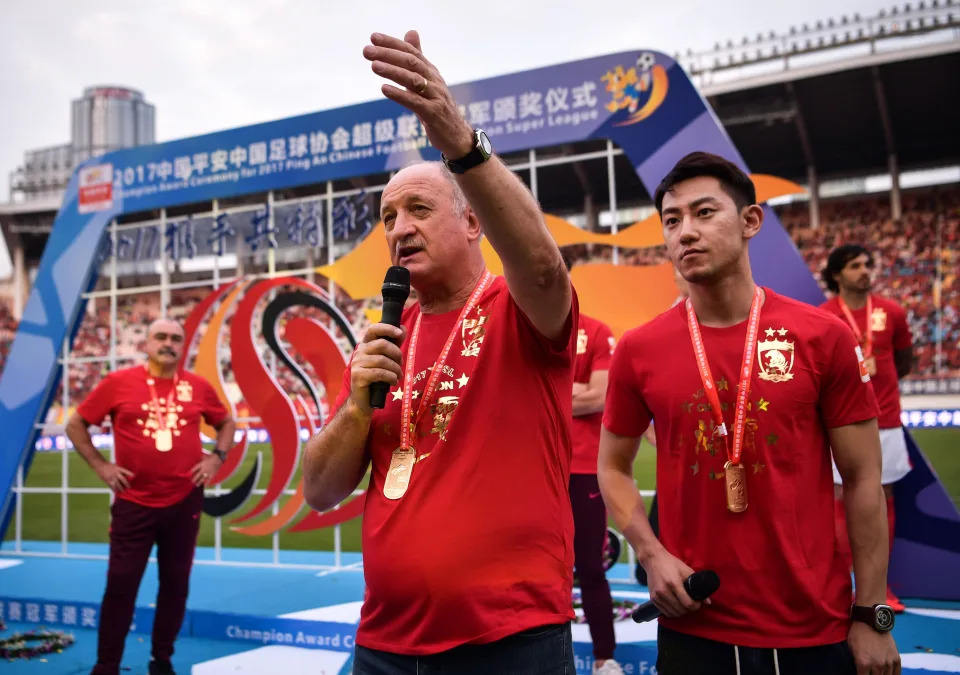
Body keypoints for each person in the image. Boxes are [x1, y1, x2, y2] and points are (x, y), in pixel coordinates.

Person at [303, 30, 578, 674]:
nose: (399, 229)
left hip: (510, 641)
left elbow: (541, 264)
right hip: (385, 644)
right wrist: (351, 412)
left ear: (474, 222)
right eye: (388, 217)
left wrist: (456, 138)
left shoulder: (519, 310)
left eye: (419, 208)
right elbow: (319, 490)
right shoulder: (383, 339)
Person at [597, 152, 901, 675]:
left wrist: (870, 613)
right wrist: (650, 554)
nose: (685, 232)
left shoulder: (821, 337)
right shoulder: (639, 349)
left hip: (813, 625)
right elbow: (612, 466)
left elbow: (863, 477)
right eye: (672, 221)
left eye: (704, 212)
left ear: (750, 222)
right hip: (694, 625)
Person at [66, 318, 235, 675]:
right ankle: (106, 664)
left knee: (175, 586)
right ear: (146, 343)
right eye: (160, 336)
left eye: (176, 338)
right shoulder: (118, 383)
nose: (168, 343)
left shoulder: (197, 386)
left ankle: (162, 659)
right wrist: (101, 466)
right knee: (120, 586)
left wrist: (215, 457)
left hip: (184, 501)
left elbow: (226, 423)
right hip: (133, 502)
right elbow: (75, 424)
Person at [820, 244, 914, 612]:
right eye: (855, 265)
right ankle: (842, 583)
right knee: (841, 498)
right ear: (837, 274)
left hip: (884, 418)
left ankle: (878, 587)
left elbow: (903, 362)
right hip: (838, 421)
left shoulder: (892, 312)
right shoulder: (825, 316)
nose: (865, 270)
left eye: (867, 264)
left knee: (881, 498)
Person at [564, 253, 622, 674]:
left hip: (583, 466)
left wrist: (548, 395)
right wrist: (576, 389)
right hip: (533, 468)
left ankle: (605, 659)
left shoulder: (597, 331)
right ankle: (544, 654)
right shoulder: (522, 329)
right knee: (536, 569)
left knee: (590, 566)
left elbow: (600, 397)